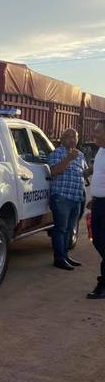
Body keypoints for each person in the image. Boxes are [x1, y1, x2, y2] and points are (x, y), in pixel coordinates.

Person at [48, 128, 89, 271]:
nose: (73, 140)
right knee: (60, 228)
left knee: (69, 229)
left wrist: (91, 170)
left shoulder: (81, 155)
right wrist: (68, 158)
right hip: (61, 197)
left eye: (75, 137)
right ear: (62, 138)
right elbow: (54, 172)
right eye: (69, 137)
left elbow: (82, 174)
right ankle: (59, 259)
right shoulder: (56, 153)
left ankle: (65, 256)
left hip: (76, 197)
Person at [87, 122, 105, 298]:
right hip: (99, 204)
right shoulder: (100, 151)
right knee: (97, 240)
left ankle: (103, 285)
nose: (95, 134)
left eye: (98, 131)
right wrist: (94, 199)